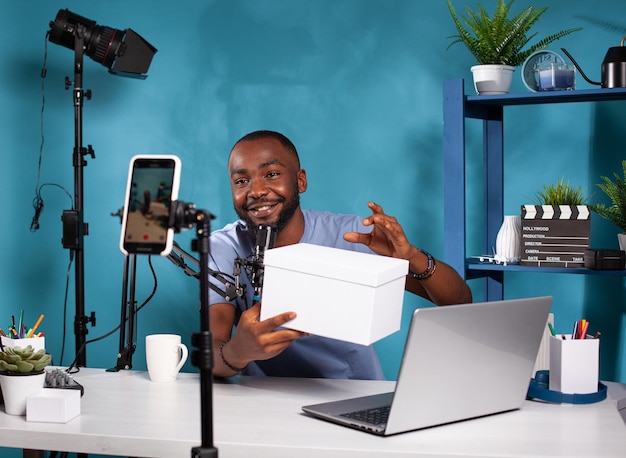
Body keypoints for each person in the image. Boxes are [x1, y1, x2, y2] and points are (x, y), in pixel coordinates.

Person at [208, 130, 472, 379]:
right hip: (265, 404)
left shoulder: (353, 235)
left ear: (300, 181)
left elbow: (458, 301)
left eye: (272, 174)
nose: (256, 191)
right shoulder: (224, 247)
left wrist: (411, 257)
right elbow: (212, 353)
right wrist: (236, 352)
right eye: (242, 181)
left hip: (353, 396)